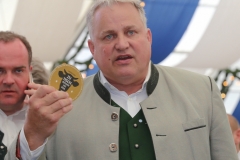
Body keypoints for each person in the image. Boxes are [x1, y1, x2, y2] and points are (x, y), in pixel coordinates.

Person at [6, 0, 238, 159]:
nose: (122, 44)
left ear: (148, 37)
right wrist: (32, 135)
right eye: (109, 36)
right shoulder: (60, 105)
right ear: (92, 48)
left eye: (130, 32)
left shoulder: (201, 89)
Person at [0, 31, 51, 160]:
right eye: (0, 71)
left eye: (18, 70)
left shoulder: (50, 118)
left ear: (30, 72)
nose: (8, 80)